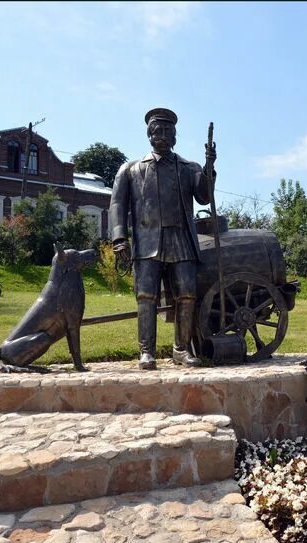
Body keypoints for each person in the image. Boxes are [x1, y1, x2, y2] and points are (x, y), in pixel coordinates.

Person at [109, 107, 216, 369]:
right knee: (146, 296)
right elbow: (117, 205)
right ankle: (147, 352)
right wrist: (119, 237)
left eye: (169, 130)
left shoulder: (188, 168)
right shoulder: (130, 169)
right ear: (149, 134)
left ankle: (180, 350)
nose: (164, 135)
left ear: (176, 136)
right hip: (147, 242)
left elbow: (204, 196)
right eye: (159, 130)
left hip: (181, 239)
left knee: (187, 294)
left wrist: (209, 168)